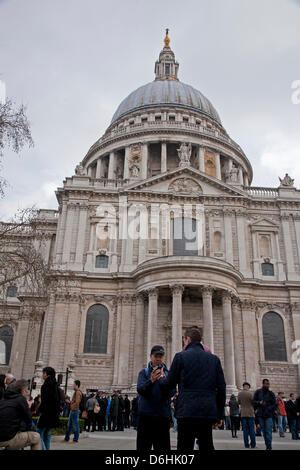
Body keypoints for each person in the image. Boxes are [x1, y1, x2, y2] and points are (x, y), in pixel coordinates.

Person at [160, 327, 226, 451]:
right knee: (206, 444)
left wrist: (161, 379)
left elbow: (169, 384)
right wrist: (220, 414)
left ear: (188, 340)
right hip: (207, 411)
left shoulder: (180, 357)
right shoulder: (214, 359)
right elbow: (222, 388)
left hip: (187, 410)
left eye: (184, 340)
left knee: (185, 447)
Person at [136, 345, 175, 451]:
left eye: (160, 356)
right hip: (146, 417)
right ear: (150, 356)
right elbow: (140, 390)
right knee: (143, 447)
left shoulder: (168, 374)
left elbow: (172, 392)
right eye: (156, 356)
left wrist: (164, 382)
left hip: (162, 417)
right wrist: (151, 381)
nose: (158, 359)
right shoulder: (144, 373)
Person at [0, 379, 42, 450]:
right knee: (36, 437)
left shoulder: (3, 399)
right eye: (26, 391)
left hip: (4, 435)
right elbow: (29, 420)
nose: (27, 393)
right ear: (22, 390)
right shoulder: (21, 399)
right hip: (6, 438)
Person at [37, 366, 61, 450]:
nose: (42, 375)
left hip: (46, 414)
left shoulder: (46, 385)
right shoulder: (56, 385)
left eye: (43, 373)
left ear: (47, 374)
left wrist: (40, 410)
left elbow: (45, 401)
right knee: (47, 434)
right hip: (53, 415)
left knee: (38, 434)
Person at [253, 379, 276, 450]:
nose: (267, 385)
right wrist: (259, 403)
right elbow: (253, 401)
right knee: (264, 432)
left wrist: (269, 408)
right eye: (266, 384)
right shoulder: (258, 392)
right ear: (263, 384)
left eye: (268, 384)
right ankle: (267, 445)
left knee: (268, 431)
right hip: (260, 415)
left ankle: (269, 447)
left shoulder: (271, 393)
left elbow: (274, 404)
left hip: (268, 415)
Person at [238, 382, 256, 448]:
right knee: (252, 430)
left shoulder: (240, 394)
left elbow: (239, 402)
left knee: (245, 430)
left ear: (243, 386)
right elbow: (253, 402)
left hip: (243, 413)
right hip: (250, 413)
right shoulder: (251, 394)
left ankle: (246, 445)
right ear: (248, 387)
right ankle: (253, 444)